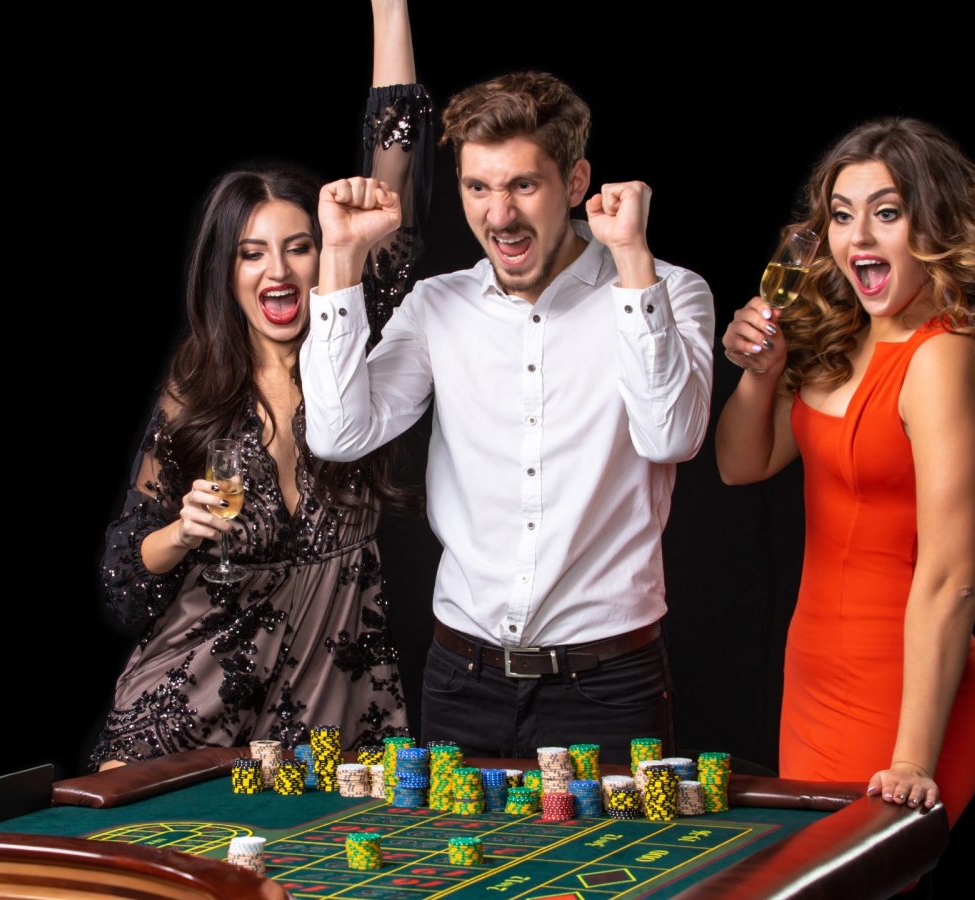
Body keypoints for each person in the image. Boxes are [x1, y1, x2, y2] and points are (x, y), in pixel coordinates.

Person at [299, 71, 715, 765]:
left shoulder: (666, 289)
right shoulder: (437, 306)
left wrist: (632, 259)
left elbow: (671, 434)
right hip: (462, 684)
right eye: (478, 188)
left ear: (576, 181)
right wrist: (341, 258)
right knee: (458, 877)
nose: (499, 215)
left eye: (524, 185)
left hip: (609, 686)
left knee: (609, 878)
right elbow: (338, 435)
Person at [89, 0, 430, 768]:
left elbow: (395, 153)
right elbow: (120, 582)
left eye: (299, 247)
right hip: (185, 715)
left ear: (327, 257)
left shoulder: (351, 350)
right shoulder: (196, 388)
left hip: (334, 722)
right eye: (251, 254)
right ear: (228, 271)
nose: (278, 271)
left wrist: (388, 7)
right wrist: (181, 530)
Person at [713, 118, 975, 826]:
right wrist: (761, 374)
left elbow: (951, 575)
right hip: (814, 671)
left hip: (908, 690)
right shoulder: (836, 336)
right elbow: (739, 463)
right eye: (843, 217)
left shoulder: (943, 358)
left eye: (887, 214)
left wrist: (912, 758)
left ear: (933, 224)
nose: (859, 239)